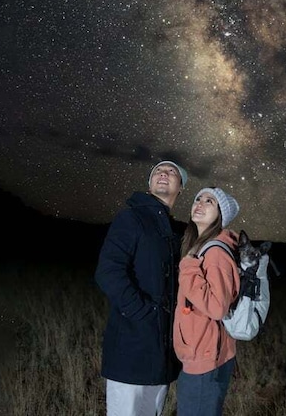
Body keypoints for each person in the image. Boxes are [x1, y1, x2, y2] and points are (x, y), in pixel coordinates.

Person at [95, 160, 189, 416]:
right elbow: (108, 271)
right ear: (149, 184)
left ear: (180, 187)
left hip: (162, 355)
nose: (164, 174)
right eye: (158, 171)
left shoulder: (175, 231)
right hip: (132, 346)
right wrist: (141, 313)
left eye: (172, 172)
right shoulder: (131, 218)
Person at [173, 187, 241, 416]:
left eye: (209, 201)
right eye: (198, 199)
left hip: (206, 359)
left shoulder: (215, 254)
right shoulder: (202, 246)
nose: (200, 203)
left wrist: (188, 268)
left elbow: (217, 307)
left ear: (220, 213)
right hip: (203, 352)